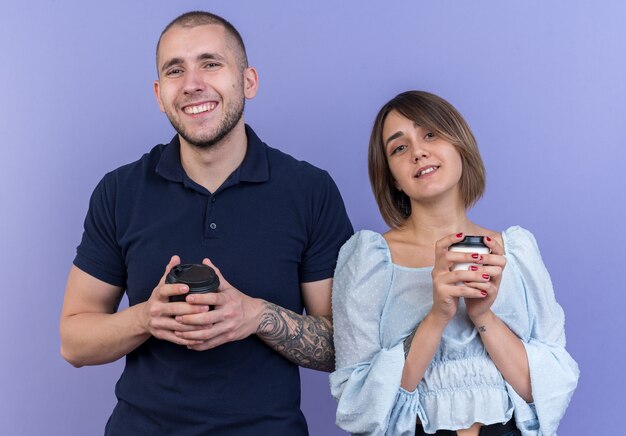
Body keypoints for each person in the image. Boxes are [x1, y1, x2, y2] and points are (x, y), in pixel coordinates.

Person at [60, 11, 352, 435]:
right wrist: (147, 318)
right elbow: (73, 342)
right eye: (175, 70)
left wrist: (255, 316)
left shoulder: (310, 190)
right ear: (160, 94)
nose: (193, 83)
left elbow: (340, 348)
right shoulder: (120, 191)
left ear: (248, 81)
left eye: (211, 63)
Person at [329, 91, 578, 436]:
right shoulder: (367, 261)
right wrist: (437, 316)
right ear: (392, 178)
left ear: (460, 144)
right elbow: (362, 409)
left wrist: (483, 315)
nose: (418, 151)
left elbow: (546, 393)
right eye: (399, 148)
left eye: (431, 134)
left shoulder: (517, 252)